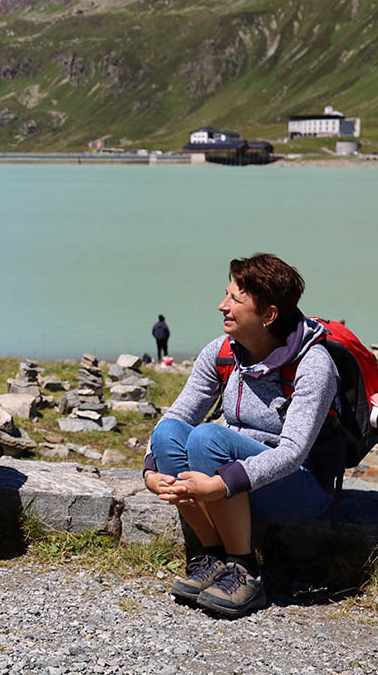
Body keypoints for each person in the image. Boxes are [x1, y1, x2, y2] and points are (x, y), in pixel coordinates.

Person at [143, 253, 342, 618]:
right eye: (226, 295)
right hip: (237, 479)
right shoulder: (221, 352)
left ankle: (245, 569)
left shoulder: (314, 365)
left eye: (236, 299)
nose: (222, 306)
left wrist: (220, 486)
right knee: (171, 431)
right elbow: (176, 417)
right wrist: (150, 471)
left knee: (207, 438)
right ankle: (213, 559)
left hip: (301, 488)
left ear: (268, 315)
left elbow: (294, 452)